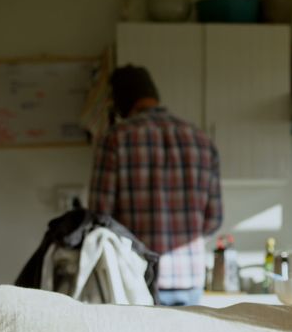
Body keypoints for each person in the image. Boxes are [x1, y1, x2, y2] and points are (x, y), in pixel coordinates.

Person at [89, 65, 222, 307]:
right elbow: (214, 220)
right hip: (189, 278)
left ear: (120, 103)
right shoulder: (201, 139)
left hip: (135, 277)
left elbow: (100, 218)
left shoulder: (116, 139)